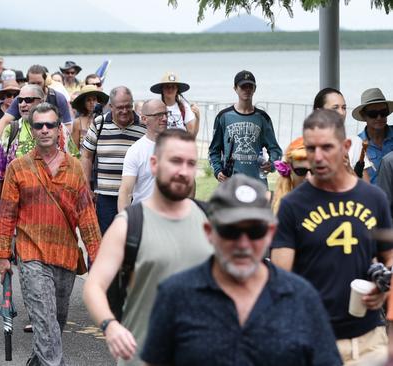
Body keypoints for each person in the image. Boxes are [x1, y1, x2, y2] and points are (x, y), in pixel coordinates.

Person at [141, 174, 341, 366]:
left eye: (255, 231)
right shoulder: (175, 295)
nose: (243, 244)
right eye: (231, 231)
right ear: (209, 232)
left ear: (270, 233)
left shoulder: (302, 298)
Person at [271, 109, 393, 364]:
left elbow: (389, 257)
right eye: (311, 148)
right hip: (316, 340)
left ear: (346, 146)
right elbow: (282, 280)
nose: (318, 157)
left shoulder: (373, 198)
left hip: (370, 339)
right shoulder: (293, 206)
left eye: (327, 147)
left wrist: (382, 288)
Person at [83, 129, 212, 365]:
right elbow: (94, 287)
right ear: (154, 164)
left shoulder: (210, 220)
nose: (183, 171)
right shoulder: (128, 225)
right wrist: (110, 326)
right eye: (175, 161)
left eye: (191, 163)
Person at [0, 102, 101, 365]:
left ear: (58, 129)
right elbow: (7, 214)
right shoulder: (18, 167)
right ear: (31, 129)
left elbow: (87, 216)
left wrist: (97, 258)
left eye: (50, 125)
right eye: (38, 125)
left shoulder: (74, 167)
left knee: (54, 324)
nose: (44, 130)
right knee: (43, 319)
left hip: (65, 256)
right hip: (31, 255)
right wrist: (2, 255)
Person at [0, 84, 77, 218]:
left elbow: (74, 165)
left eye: (29, 100)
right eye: (20, 100)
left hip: (54, 209)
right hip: (17, 210)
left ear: (42, 101)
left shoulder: (58, 129)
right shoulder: (12, 130)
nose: (23, 104)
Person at [81, 86, 146, 234]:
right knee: (103, 240)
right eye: (120, 107)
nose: (125, 111)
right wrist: (87, 188)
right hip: (105, 197)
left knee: (131, 241)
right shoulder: (99, 123)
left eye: (128, 106)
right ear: (111, 106)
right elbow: (86, 156)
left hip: (134, 197)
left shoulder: (143, 126)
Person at [208, 70, 282, 186]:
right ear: (235, 88)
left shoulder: (263, 118)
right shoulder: (223, 117)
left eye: (250, 86)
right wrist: (218, 171)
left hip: (257, 183)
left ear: (254, 89)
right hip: (230, 183)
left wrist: (271, 164)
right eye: (243, 86)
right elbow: (214, 150)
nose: (247, 90)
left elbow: (275, 149)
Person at [0, 64, 74, 148]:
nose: (36, 86)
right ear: (27, 82)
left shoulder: (57, 98)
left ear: (45, 80)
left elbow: (67, 126)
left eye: (39, 83)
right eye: (32, 83)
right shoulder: (21, 98)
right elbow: (5, 120)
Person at [117, 99, 168, 212]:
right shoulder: (136, 151)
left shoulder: (177, 146)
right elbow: (125, 192)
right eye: (158, 115)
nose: (164, 118)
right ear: (144, 119)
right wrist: (126, 223)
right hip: (145, 218)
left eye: (165, 114)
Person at [350, 88, 393, 183]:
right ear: (363, 115)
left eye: (383, 113)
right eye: (373, 114)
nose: (379, 117)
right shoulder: (356, 145)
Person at [149, 71, 199, 136]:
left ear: (177, 90)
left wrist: (198, 118)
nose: (170, 89)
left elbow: (191, 134)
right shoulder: (156, 107)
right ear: (162, 89)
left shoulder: (184, 107)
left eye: (173, 87)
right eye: (167, 87)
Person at [271, 137, 311, 213]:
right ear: (289, 168)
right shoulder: (270, 205)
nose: (308, 177)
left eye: (315, 171)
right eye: (301, 171)